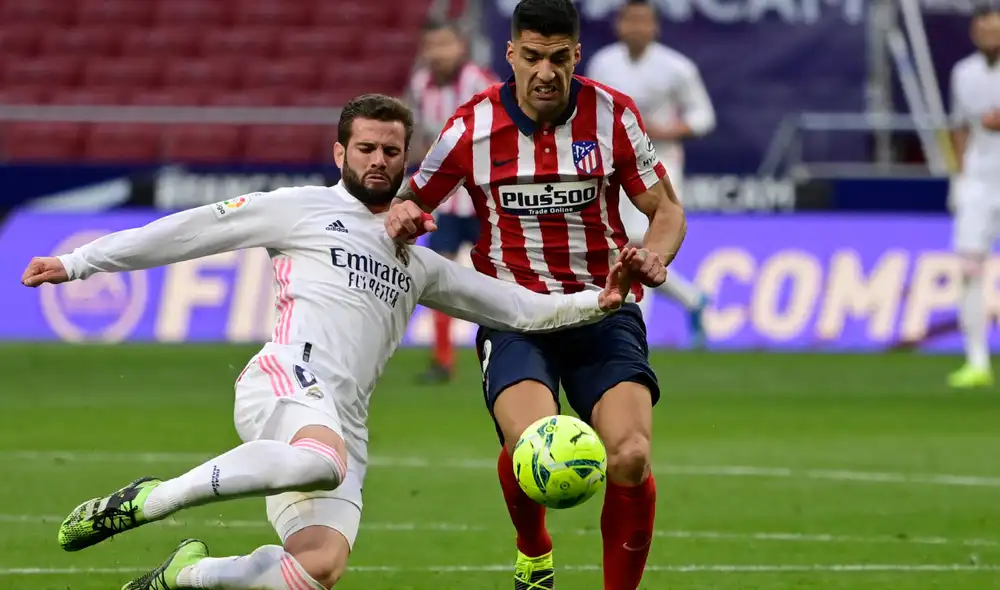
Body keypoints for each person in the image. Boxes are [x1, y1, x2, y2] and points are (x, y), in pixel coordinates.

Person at [21, 94, 635, 590]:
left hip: (344, 421)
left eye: (391, 151)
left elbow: (516, 307)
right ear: (340, 151)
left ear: (406, 161)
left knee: (319, 567)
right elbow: (190, 232)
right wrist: (80, 263)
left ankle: (187, 574)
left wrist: (598, 300)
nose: (378, 160)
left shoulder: (418, 263)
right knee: (321, 459)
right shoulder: (301, 209)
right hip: (286, 379)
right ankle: (151, 500)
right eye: (365, 147)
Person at [384, 0, 687, 588]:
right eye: (530, 57)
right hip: (514, 315)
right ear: (510, 55)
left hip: (603, 309)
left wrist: (655, 254)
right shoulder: (470, 127)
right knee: (535, 450)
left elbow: (665, 209)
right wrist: (403, 220)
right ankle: (534, 550)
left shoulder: (613, 116)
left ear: (575, 54)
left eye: (556, 58)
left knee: (629, 455)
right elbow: (413, 202)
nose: (544, 72)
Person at [585, 0, 715, 347]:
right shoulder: (603, 63)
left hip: (661, 163)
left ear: (655, 26)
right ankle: (691, 301)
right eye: (630, 20)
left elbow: (704, 116)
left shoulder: (677, 67)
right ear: (619, 24)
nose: (637, 28)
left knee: (644, 243)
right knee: (626, 245)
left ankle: (637, 325)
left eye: (644, 21)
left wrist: (668, 130)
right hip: (614, 165)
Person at [408, 18, 499, 383]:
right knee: (438, 280)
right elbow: (427, 140)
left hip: (483, 200)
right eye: (432, 47)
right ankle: (443, 361)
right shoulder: (420, 85)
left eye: (445, 45)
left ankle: (508, 344)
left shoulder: (480, 81)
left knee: (497, 279)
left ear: (460, 46)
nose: (439, 54)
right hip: (446, 203)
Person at [948, 0, 1000, 388]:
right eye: (985, 31)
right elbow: (960, 127)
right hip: (980, 181)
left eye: (996, 31)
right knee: (969, 271)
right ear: (974, 33)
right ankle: (977, 361)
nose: (991, 37)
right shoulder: (963, 73)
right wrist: (958, 176)